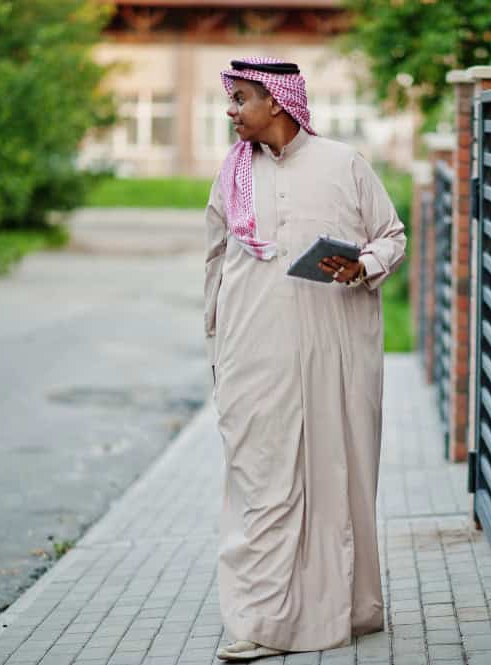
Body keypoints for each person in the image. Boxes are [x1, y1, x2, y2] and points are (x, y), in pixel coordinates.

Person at [203, 56, 407, 661]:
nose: (231, 111)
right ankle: (260, 621)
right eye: (231, 99)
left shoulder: (344, 164)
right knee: (260, 480)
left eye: (241, 99)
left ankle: (350, 607)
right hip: (254, 354)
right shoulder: (232, 173)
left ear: (277, 102)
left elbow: (391, 236)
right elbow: (214, 261)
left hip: (333, 352)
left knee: (335, 475)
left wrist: (363, 264)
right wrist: (217, 340)